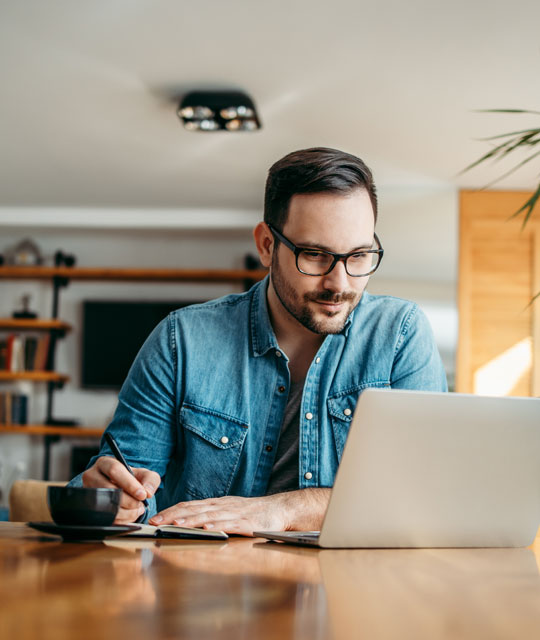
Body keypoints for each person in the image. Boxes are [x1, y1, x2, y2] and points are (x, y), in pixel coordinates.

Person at [72, 147, 447, 535]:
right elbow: (123, 484)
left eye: (359, 255)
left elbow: (425, 494)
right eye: (315, 255)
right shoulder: (179, 341)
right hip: (200, 586)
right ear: (267, 245)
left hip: (349, 589)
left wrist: (283, 510)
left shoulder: (401, 334)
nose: (340, 283)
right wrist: (113, 498)